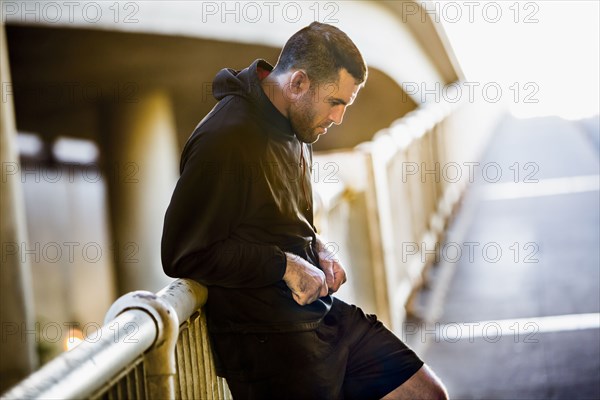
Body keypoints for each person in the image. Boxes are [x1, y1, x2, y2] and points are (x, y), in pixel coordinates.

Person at [161, 22, 448, 400]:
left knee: (427, 394)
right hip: (273, 350)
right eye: (335, 103)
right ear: (297, 83)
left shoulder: (296, 124)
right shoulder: (225, 139)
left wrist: (318, 248)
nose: (339, 118)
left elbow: (277, 217)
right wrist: (285, 265)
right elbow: (183, 252)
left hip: (322, 317)